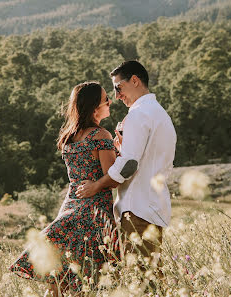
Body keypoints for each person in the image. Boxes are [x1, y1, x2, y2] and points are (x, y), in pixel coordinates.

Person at [10, 81, 119, 296]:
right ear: (94, 106)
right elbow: (113, 178)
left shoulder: (69, 138)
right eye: (106, 99)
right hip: (93, 215)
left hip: (69, 210)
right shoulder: (100, 136)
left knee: (58, 281)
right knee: (85, 282)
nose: (110, 102)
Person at [76, 61, 176, 267]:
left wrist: (96, 185)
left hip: (137, 208)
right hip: (153, 204)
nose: (116, 96)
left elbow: (129, 165)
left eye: (118, 88)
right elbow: (145, 157)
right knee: (149, 274)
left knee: (142, 278)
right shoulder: (158, 113)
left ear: (135, 80)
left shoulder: (138, 115)